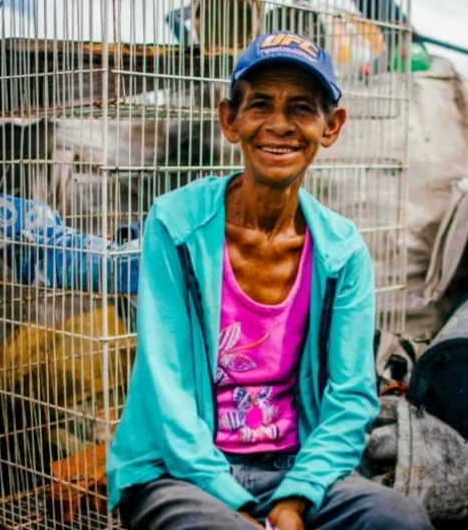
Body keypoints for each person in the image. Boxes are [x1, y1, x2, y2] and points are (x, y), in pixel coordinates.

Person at [107, 31, 433, 530]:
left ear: (331, 127)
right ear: (229, 121)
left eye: (301, 108)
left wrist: (296, 499)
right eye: (260, 104)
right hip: (179, 472)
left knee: (400, 518)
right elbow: (165, 386)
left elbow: (350, 398)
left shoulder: (342, 252)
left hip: (294, 468)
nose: (279, 126)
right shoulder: (176, 225)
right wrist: (230, 500)